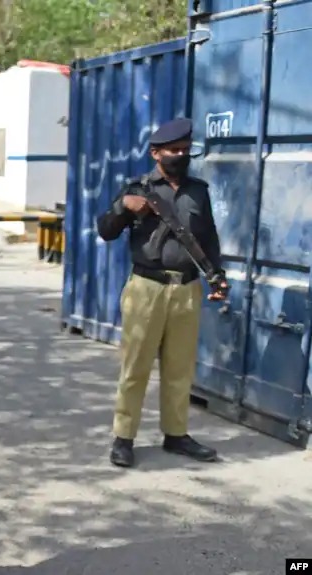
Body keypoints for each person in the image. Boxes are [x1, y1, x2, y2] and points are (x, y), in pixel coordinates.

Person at [96, 117, 227, 468]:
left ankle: (176, 434)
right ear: (156, 153)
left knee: (180, 367)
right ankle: (124, 438)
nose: (180, 155)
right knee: (135, 366)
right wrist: (124, 207)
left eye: (185, 150)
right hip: (147, 288)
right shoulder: (137, 188)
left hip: (187, 289)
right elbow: (105, 230)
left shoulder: (199, 190)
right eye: (173, 150)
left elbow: (208, 238)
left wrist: (218, 277)